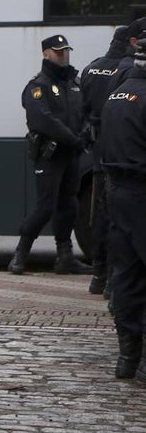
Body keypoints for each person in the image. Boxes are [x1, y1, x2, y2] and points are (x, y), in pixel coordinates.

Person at [7, 34, 89, 276]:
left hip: (71, 154)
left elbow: (85, 112)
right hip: (50, 154)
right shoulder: (37, 86)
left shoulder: (75, 82)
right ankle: (20, 254)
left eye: (66, 50)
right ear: (46, 53)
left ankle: (65, 257)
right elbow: (42, 119)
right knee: (46, 206)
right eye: (58, 51)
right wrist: (73, 139)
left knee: (69, 205)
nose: (64, 54)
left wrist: (84, 134)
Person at [98, 41, 146, 380]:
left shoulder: (116, 95)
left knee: (127, 273)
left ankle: (127, 357)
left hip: (117, 191)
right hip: (142, 191)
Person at [79, 25, 131, 297]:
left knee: (101, 215)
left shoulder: (91, 68)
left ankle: (98, 275)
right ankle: (113, 278)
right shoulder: (126, 69)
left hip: (98, 150)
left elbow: (82, 110)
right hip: (120, 152)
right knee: (120, 218)